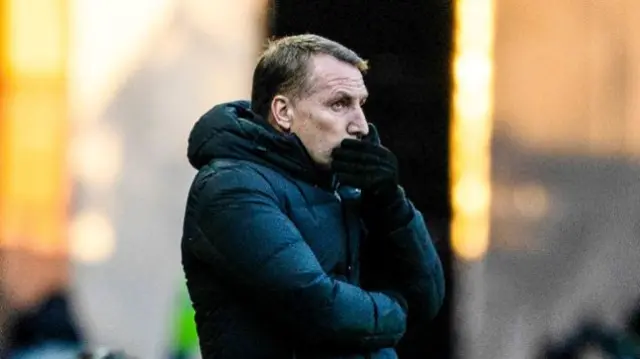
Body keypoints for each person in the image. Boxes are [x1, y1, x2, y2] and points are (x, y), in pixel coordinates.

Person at [181, 34, 445, 359]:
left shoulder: (345, 187)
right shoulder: (230, 188)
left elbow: (427, 296)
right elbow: (319, 308)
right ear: (283, 112)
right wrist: (397, 310)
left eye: (361, 105)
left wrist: (388, 202)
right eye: (339, 104)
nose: (361, 126)